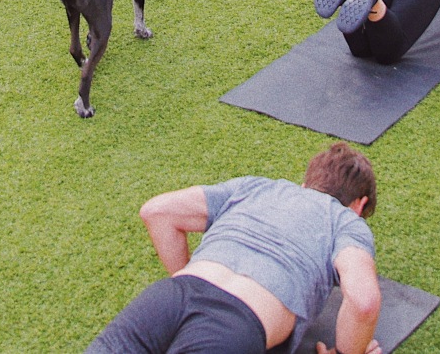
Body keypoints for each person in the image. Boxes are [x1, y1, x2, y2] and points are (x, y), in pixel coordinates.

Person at [89, 144, 381, 354]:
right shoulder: (345, 221)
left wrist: (193, 277)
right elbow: (363, 301)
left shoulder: (257, 187)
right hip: (235, 324)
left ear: (305, 183)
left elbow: (157, 212)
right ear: (360, 204)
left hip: (171, 297)